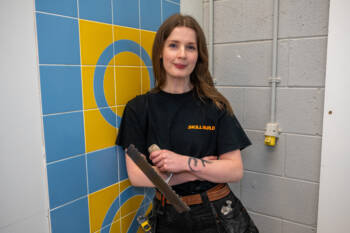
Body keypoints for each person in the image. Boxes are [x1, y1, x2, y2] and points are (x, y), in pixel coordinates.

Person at [116, 13, 259, 233]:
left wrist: (182, 162)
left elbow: (234, 170)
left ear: (198, 56)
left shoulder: (215, 106)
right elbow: (137, 176)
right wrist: (199, 168)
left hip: (218, 213)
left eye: (190, 47)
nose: (182, 55)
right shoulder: (138, 108)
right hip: (166, 217)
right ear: (160, 52)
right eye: (173, 45)